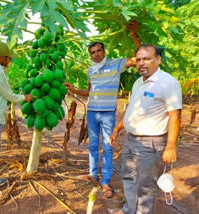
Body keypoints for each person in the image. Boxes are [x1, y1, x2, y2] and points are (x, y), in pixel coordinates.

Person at [64, 21, 141, 198]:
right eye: (92, 52)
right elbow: (89, 91)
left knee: (107, 147)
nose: (96, 54)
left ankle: (105, 181)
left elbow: (138, 58)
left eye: (98, 51)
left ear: (104, 51)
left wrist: (133, 35)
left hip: (107, 113)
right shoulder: (91, 70)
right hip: (92, 112)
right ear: (90, 55)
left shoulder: (116, 64)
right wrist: (74, 90)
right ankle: (92, 173)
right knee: (92, 145)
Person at [109, 44, 182, 214]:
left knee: (145, 186)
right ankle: (129, 210)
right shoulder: (138, 83)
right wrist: (117, 129)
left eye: (147, 59)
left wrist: (171, 145)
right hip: (131, 140)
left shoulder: (168, 83)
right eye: (139, 59)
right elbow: (132, 109)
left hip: (150, 143)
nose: (141, 63)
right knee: (128, 178)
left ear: (158, 59)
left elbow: (175, 116)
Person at [0, 42, 33, 199]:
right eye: (8, 58)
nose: (10, 61)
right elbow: (8, 95)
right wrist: (25, 98)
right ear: (2, 57)